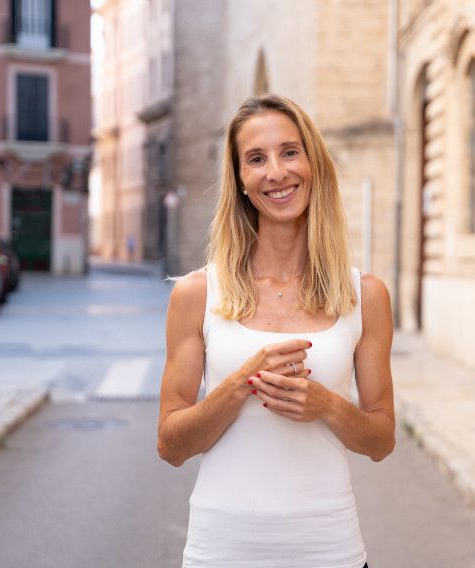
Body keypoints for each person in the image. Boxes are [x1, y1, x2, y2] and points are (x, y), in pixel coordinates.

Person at [157, 93, 396, 568]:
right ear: (242, 181)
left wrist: (327, 405)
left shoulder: (364, 295)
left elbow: (381, 440)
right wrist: (240, 384)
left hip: (329, 550)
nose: (277, 173)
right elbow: (170, 445)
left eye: (290, 152)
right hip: (221, 551)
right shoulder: (197, 294)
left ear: (313, 164)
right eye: (256, 159)